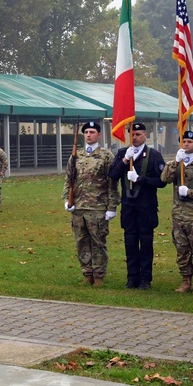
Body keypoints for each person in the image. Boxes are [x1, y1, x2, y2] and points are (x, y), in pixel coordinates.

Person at [109, 122, 167, 290]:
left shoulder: (154, 155)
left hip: (146, 207)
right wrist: (125, 159)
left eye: (138, 134)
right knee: (130, 241)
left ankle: (145, 279)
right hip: (128, 206)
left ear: (145, 136)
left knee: (146, 242)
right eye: (132, 134)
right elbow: (113, 175)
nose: (134, 137)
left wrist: (141, 179)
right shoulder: (122, 153)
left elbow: (161, 181)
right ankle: (132, 277)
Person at [63, 121, 118, 286]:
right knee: (81, 242)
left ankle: (99, 275)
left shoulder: (106, 156)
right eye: (86, 132)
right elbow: (68, 179)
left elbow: (112, 183)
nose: (88, 135)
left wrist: (112, 206)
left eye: (92, 132)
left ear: (99, 135)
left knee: (98, 242)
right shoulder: (76, 155)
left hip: (98, 207)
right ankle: (87, 273)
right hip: (79, 207)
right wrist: (67, 199)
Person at [160, 130, 193, 294]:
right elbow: (164, 179)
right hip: (179, 215)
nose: (186, 144)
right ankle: (185, 280)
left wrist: (190, 193)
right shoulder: (175, 164)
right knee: (182, 250)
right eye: (183, 142)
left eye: (190, 142)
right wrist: (176, 161)